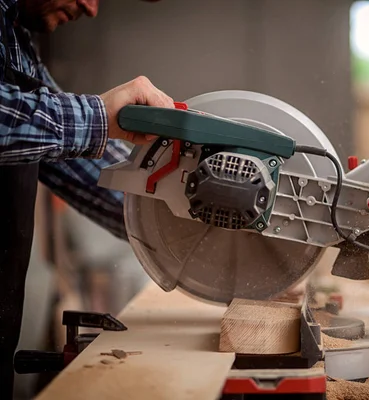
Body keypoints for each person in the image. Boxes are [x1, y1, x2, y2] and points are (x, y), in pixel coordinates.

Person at [0, 1, 172, 398]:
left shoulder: (17, 35)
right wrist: (98, 117)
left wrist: (172, 215)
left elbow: (69, 161)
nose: (91, 8)